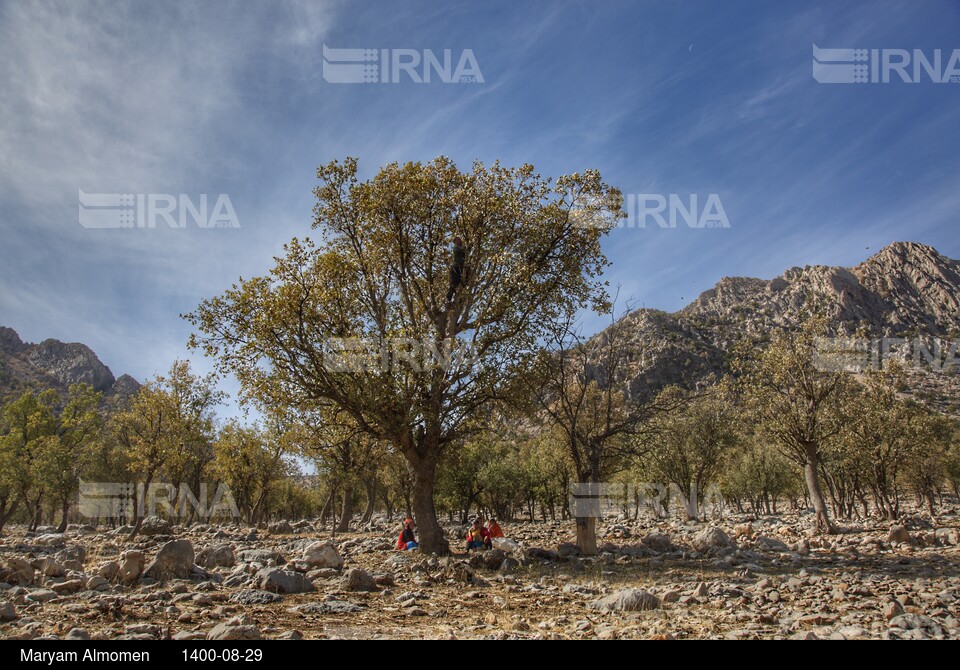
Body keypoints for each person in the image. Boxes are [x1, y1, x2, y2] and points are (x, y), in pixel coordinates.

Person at [446, 237, 466, 304]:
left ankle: (458, 300)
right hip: (455, 267)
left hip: (461, 267)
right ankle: (448, 300)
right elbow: (463, 249)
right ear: (455, 242)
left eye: (460, 239)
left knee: (462, 283)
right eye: (457, 240)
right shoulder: (456, 248)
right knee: (453, 283)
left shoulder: (462, 247)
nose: (459, 241)